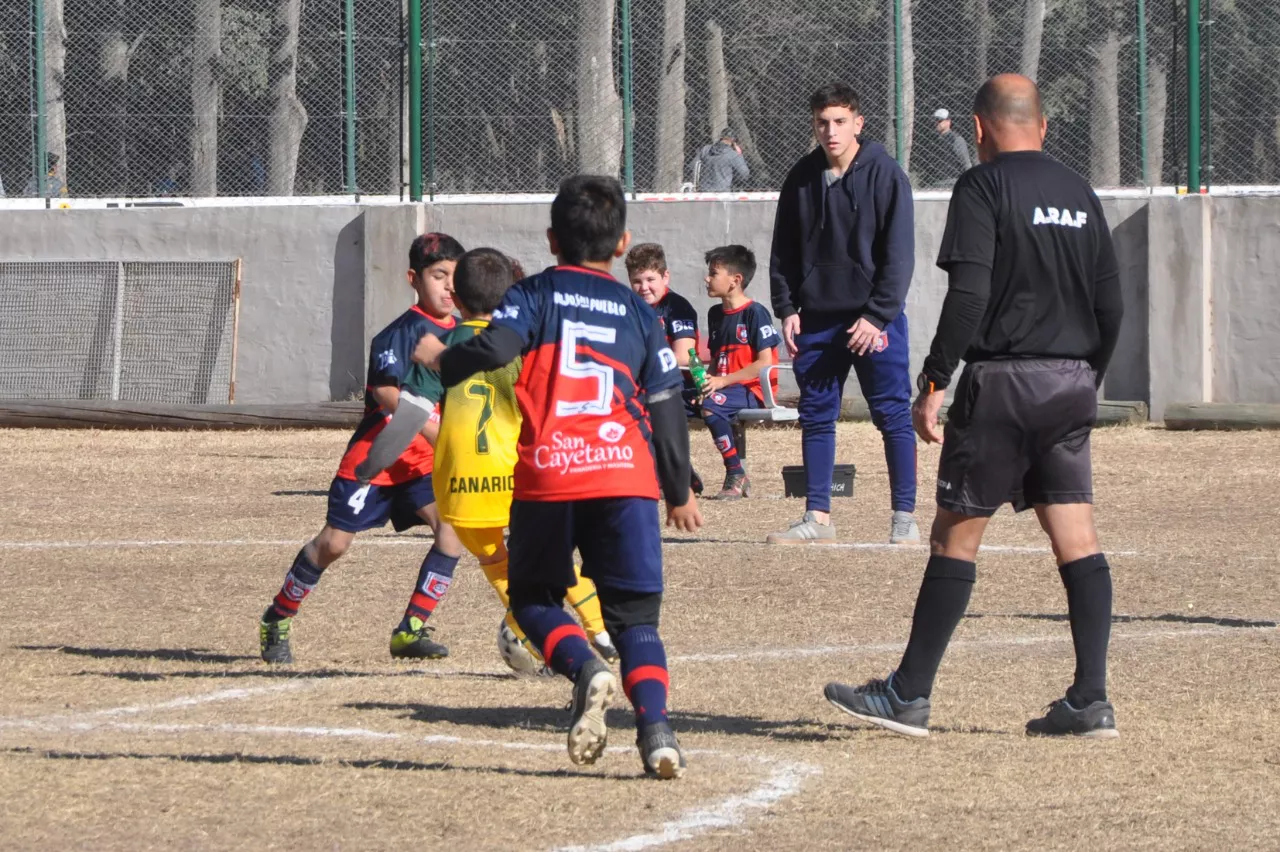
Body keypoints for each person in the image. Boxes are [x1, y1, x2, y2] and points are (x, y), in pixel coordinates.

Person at [823, 74, 1125, 739]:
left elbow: (969, 298)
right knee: (1077, 538)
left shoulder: (981, 186)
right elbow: (1111, 305)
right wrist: (1083, 379)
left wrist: (933, 381)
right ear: (1043, 128)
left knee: (955, 536)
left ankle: (908, 694)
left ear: (979, 129)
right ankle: (1091, 699)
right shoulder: (1080, 192)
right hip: (1072, 381)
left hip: (1003, 384)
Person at [416, 174, 703, 779]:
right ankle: (656, 731)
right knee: (635, 620)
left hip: (550, 474)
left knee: (534, 598)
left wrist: (445, 361)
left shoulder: (536, 294)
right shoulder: (640, 313)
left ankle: (584, 668)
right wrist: (677, 490)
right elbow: (667, 408)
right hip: (625, 476)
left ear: (551, 239)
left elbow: (494, 348)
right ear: (623, 243)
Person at [354, 248, 619, 669]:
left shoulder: (441, 351)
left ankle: (542, 642)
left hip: (461, 488)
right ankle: (600, 628)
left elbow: (407, 419)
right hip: (515, 478)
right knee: (552, 560)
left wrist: (370, 467)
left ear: (456, 297)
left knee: (498, 564)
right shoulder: (518, 347)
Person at [256, 233, 466, 664]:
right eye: (438, 275)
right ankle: (277, 617)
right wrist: (433, 431)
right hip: (378, 459)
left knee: (451, 531)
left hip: (421, 464)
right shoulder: (399, 333)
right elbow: (386, 394)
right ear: (414, 279)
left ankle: (409, 631)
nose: (448, 286)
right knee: (334, 544)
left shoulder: (463, 333)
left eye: (456, 278)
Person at [767, 81, 919, 545]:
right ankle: (818, 518)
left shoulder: (886, 174)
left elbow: (899, 255)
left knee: (892, 414)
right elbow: (783, 252)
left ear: (858, 122)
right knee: (816, 416)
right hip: (816, 320)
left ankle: (904, 519)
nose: (830, 131)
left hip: (874, 322)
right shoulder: (801, 177)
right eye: (821, 122)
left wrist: (877, 316)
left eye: (839, 121)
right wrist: (787, 308)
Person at [697, 245, 779, 499]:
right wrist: (706, 380)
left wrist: (722, 382)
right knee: (665, 402)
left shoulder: (755, 313)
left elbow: (764, 362)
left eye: (713, 273)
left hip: (750, 389)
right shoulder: (714, 314)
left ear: (735, 280)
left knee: (711, 404)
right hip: (722, 387)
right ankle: (682, 474)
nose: (706, 278)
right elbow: (715, 361)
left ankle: (736, 473)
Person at [625, 242, 705, 495]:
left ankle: (669, 470)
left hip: (678, 384)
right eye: (637, 281)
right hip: (637, 382)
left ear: (665, 276)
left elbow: (682, 357)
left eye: (650, 279)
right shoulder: (627, 307)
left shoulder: (677, 307)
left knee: (646, 402)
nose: (644, 287)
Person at [931, 108, 974, 187]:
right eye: (935, 120)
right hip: (938, 182)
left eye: (940, 120)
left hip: (954, 182)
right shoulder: (934, 141)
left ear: (948, 121)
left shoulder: (956, 139)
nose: (937, 123)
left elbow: (966, 163)